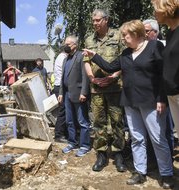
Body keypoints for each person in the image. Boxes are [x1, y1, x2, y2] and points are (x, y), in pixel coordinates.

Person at [83, 19, 174, 189]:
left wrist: (162, 98)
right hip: (130, 102)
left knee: (157, 139)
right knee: (137, 139)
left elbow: (163, 74)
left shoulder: (154, 47)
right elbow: (109, 67)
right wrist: (94, 56)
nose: (123, 38)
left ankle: (167, 174)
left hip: (152, 101)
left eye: (125, 35)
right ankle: (140, 172)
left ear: (136, 34)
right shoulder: (125, 54)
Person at [84, 9, 126, 172]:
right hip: (96, 89)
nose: (94, 23)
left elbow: (125, 59)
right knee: (98, 122)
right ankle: (101, 154)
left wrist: (113, 76)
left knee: (117, 121)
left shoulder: (117, 36)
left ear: (106, 20)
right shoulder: (89, 39)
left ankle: (118, 154)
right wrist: (91, 78)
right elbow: (86, 61)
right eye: (93, 20)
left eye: (97, 20)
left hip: (114, 87)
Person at [58, 35, 91, 157]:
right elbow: (63, 78)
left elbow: (85, 76)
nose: (65, 46)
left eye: (68, 44)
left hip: (78, 94)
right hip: (67, 94)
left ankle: (85, 145)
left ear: (75, 45)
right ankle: (72, 142)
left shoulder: (81, 56)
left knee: (82, 121)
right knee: (69, 121)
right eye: (65, 43)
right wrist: (61, 93)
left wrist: (84, 92)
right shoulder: (66, 59)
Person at [152, 0, 179, 144]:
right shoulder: (170, 34)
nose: (154, 13)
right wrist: (163, 97)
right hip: (172, 94)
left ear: (166, 9)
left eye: (156, 9)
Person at [53, 50, 68, 142]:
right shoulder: (63, 58)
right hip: (60, 87)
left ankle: (63, 132)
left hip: (58, 86)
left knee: (64, 111)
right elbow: (65, 74)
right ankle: (58, 134)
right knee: (62, 111)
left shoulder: (60, 56)